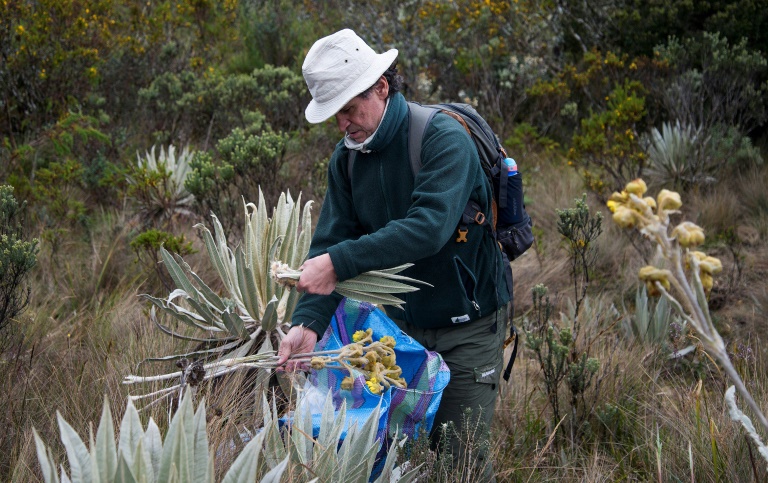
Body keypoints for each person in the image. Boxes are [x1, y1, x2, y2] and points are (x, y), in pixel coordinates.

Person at [276, 28, 510, 479]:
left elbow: (428, 228)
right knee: (394, 455)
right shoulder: (345, 161)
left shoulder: (443, 139)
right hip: (397, 332)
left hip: (469, 324)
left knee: (459, 460)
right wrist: (308, 323)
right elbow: (329, 242)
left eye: (349, 107)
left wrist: (339, 263)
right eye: (335, 114)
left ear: (382, 86)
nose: (343, 123)